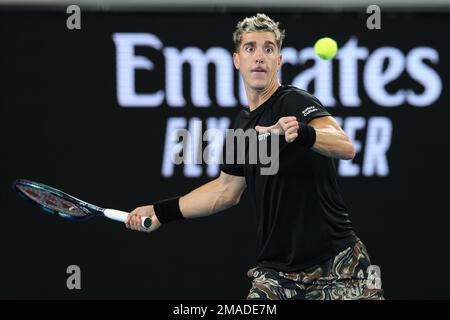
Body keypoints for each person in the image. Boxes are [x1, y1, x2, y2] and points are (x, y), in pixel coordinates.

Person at [125, 13, 384, 300]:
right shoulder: (243, 125)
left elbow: (346, 147)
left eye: (268, 48)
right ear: (237, 60)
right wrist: (161, 212)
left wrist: (300, 132)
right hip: (277, 275)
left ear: (279, 60)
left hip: (339, 266)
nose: (259, 56)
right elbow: (225, 191)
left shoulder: (295, 102)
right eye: (250, 48)